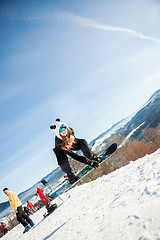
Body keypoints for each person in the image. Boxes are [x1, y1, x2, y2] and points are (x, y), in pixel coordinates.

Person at [50, 118, 100, 184]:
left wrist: (90, 160)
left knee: (83, 142)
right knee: (62, 161)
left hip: (70, 143)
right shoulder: (59, 143)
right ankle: (70, 174)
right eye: (61, 130)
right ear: (57, 132)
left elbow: (76, 142)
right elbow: (74, 156)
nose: (64, 130)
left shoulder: (70, 131)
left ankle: (92, 157)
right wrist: (88, 162)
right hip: (61, 149)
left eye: (64, 127)